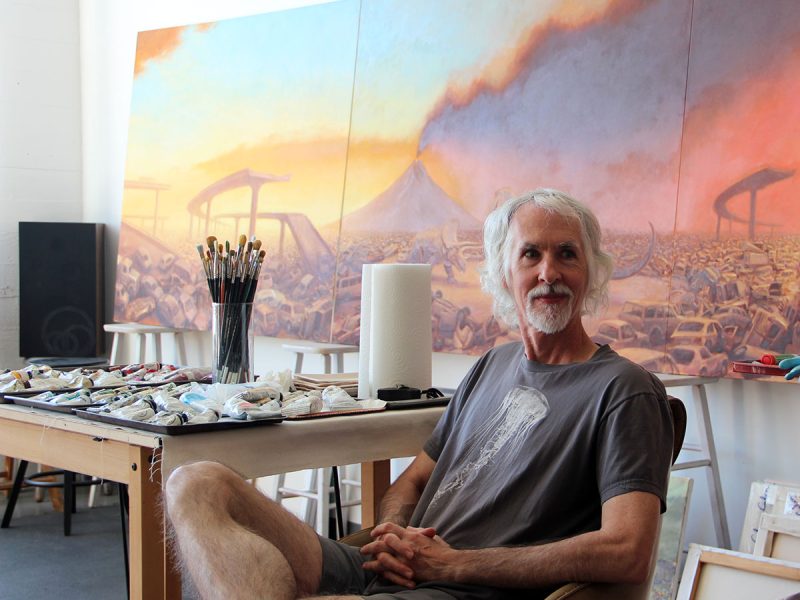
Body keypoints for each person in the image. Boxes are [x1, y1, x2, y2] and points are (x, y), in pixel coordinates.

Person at [165, 188, 674, 600]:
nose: (549, 272)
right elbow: (410, 483)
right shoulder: (490, 367)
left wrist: (454, 566)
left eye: (567, 254)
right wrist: (390, 533)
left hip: (465, 588)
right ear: (504, 273)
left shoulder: (624, 391)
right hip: (388, 566)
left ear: (590, 273)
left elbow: (627, 550)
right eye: (531, 254)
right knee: (195, 482)